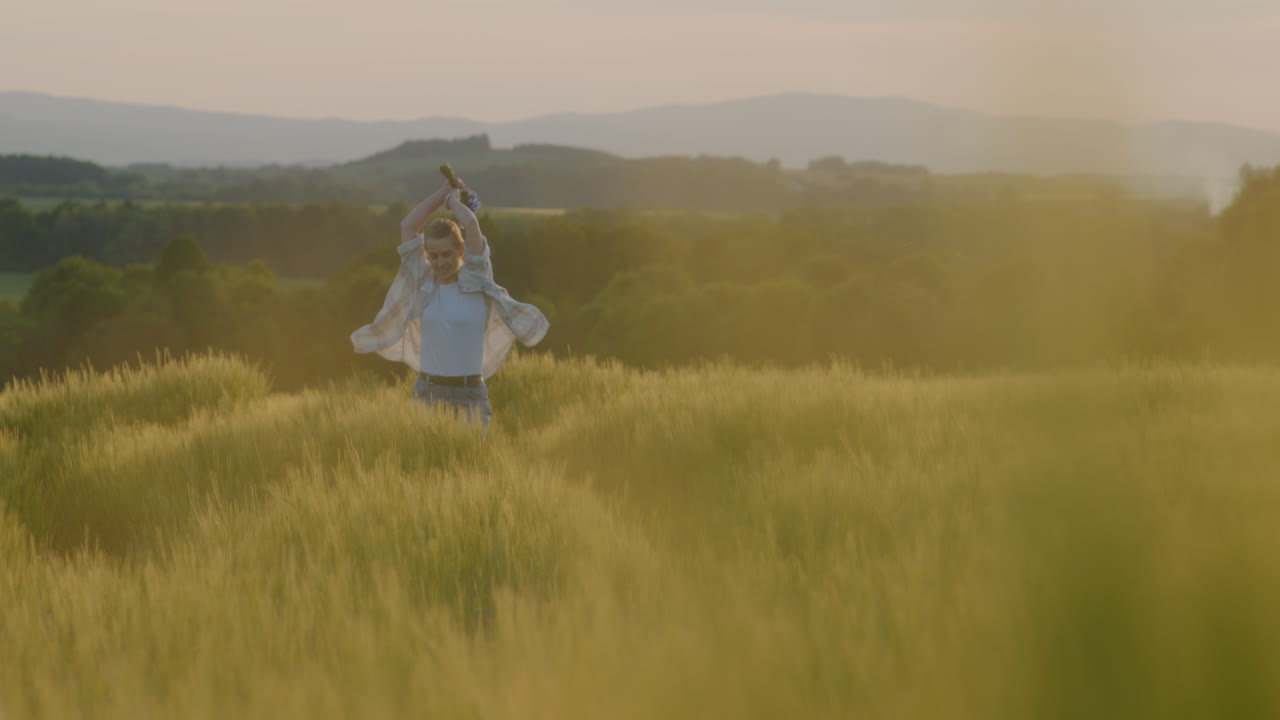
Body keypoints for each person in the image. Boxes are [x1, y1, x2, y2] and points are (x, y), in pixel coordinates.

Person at [350, 177, 549, 430]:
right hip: (427, 395)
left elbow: (471, 224)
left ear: (461, 251)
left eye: (447, 254)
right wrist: (441, 193)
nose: (440, 262)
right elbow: (408, 226)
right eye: (433, 256)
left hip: (470, 397)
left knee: (472, 466)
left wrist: (453, 202)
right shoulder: (423, 282)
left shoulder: (478, 278)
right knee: (424, 468)